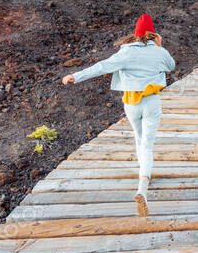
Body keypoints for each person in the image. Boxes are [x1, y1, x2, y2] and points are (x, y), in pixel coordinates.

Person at [61, 13, 175, 216]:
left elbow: (101, 67)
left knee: (139, 139)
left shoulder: (125, 53)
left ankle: (144, 174)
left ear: (135, 34)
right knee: (148, 143)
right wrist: (159, 46)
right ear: (153, 34)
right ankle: (143, 188)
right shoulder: (159, 52)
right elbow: (171, 65)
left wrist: (75, 76)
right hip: (152, 102)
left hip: (131, 103)